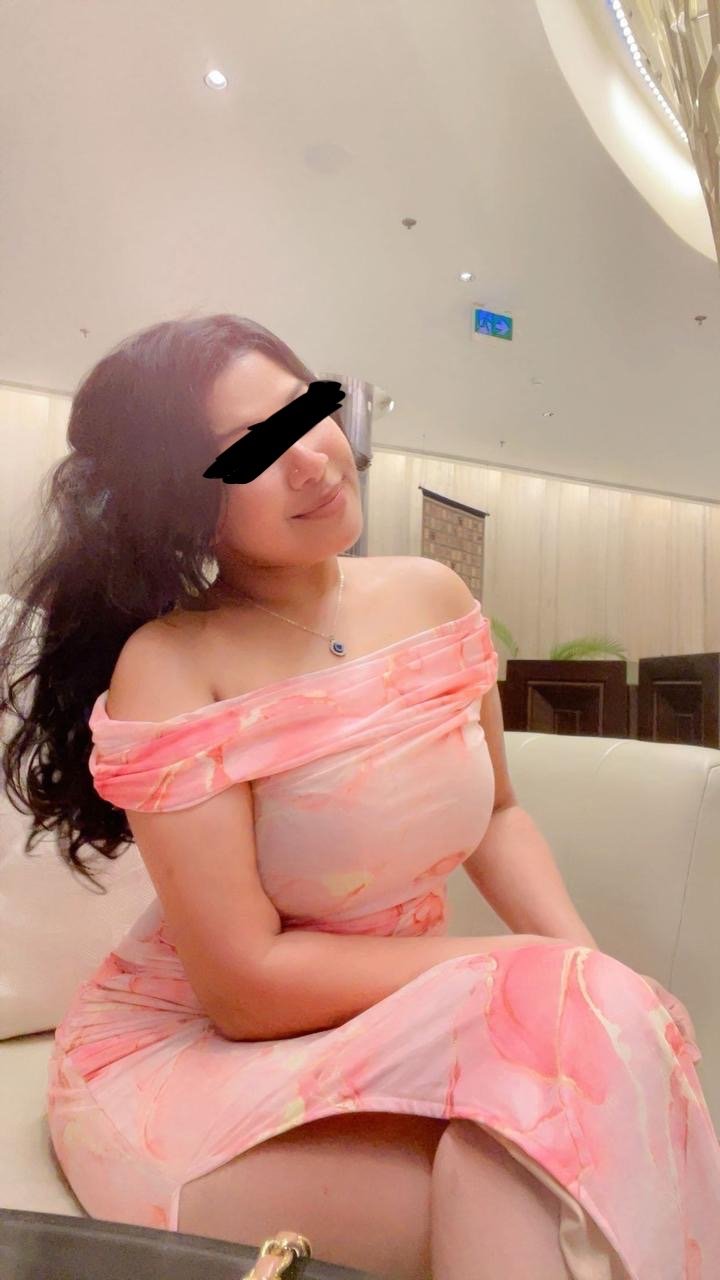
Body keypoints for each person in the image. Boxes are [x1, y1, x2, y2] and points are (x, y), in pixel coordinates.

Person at [1, 314, 718, 1280]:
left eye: (306, 411)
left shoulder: (433, 597)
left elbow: (498, 816)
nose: (309, 459)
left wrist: (586, 982)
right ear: (180, 499)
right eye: (252, 450)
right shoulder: (171, 668)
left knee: (575, 1107)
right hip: (199, 1061)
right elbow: (243, 987)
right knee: (556, 1180)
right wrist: (528, 970)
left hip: (378, 1021)